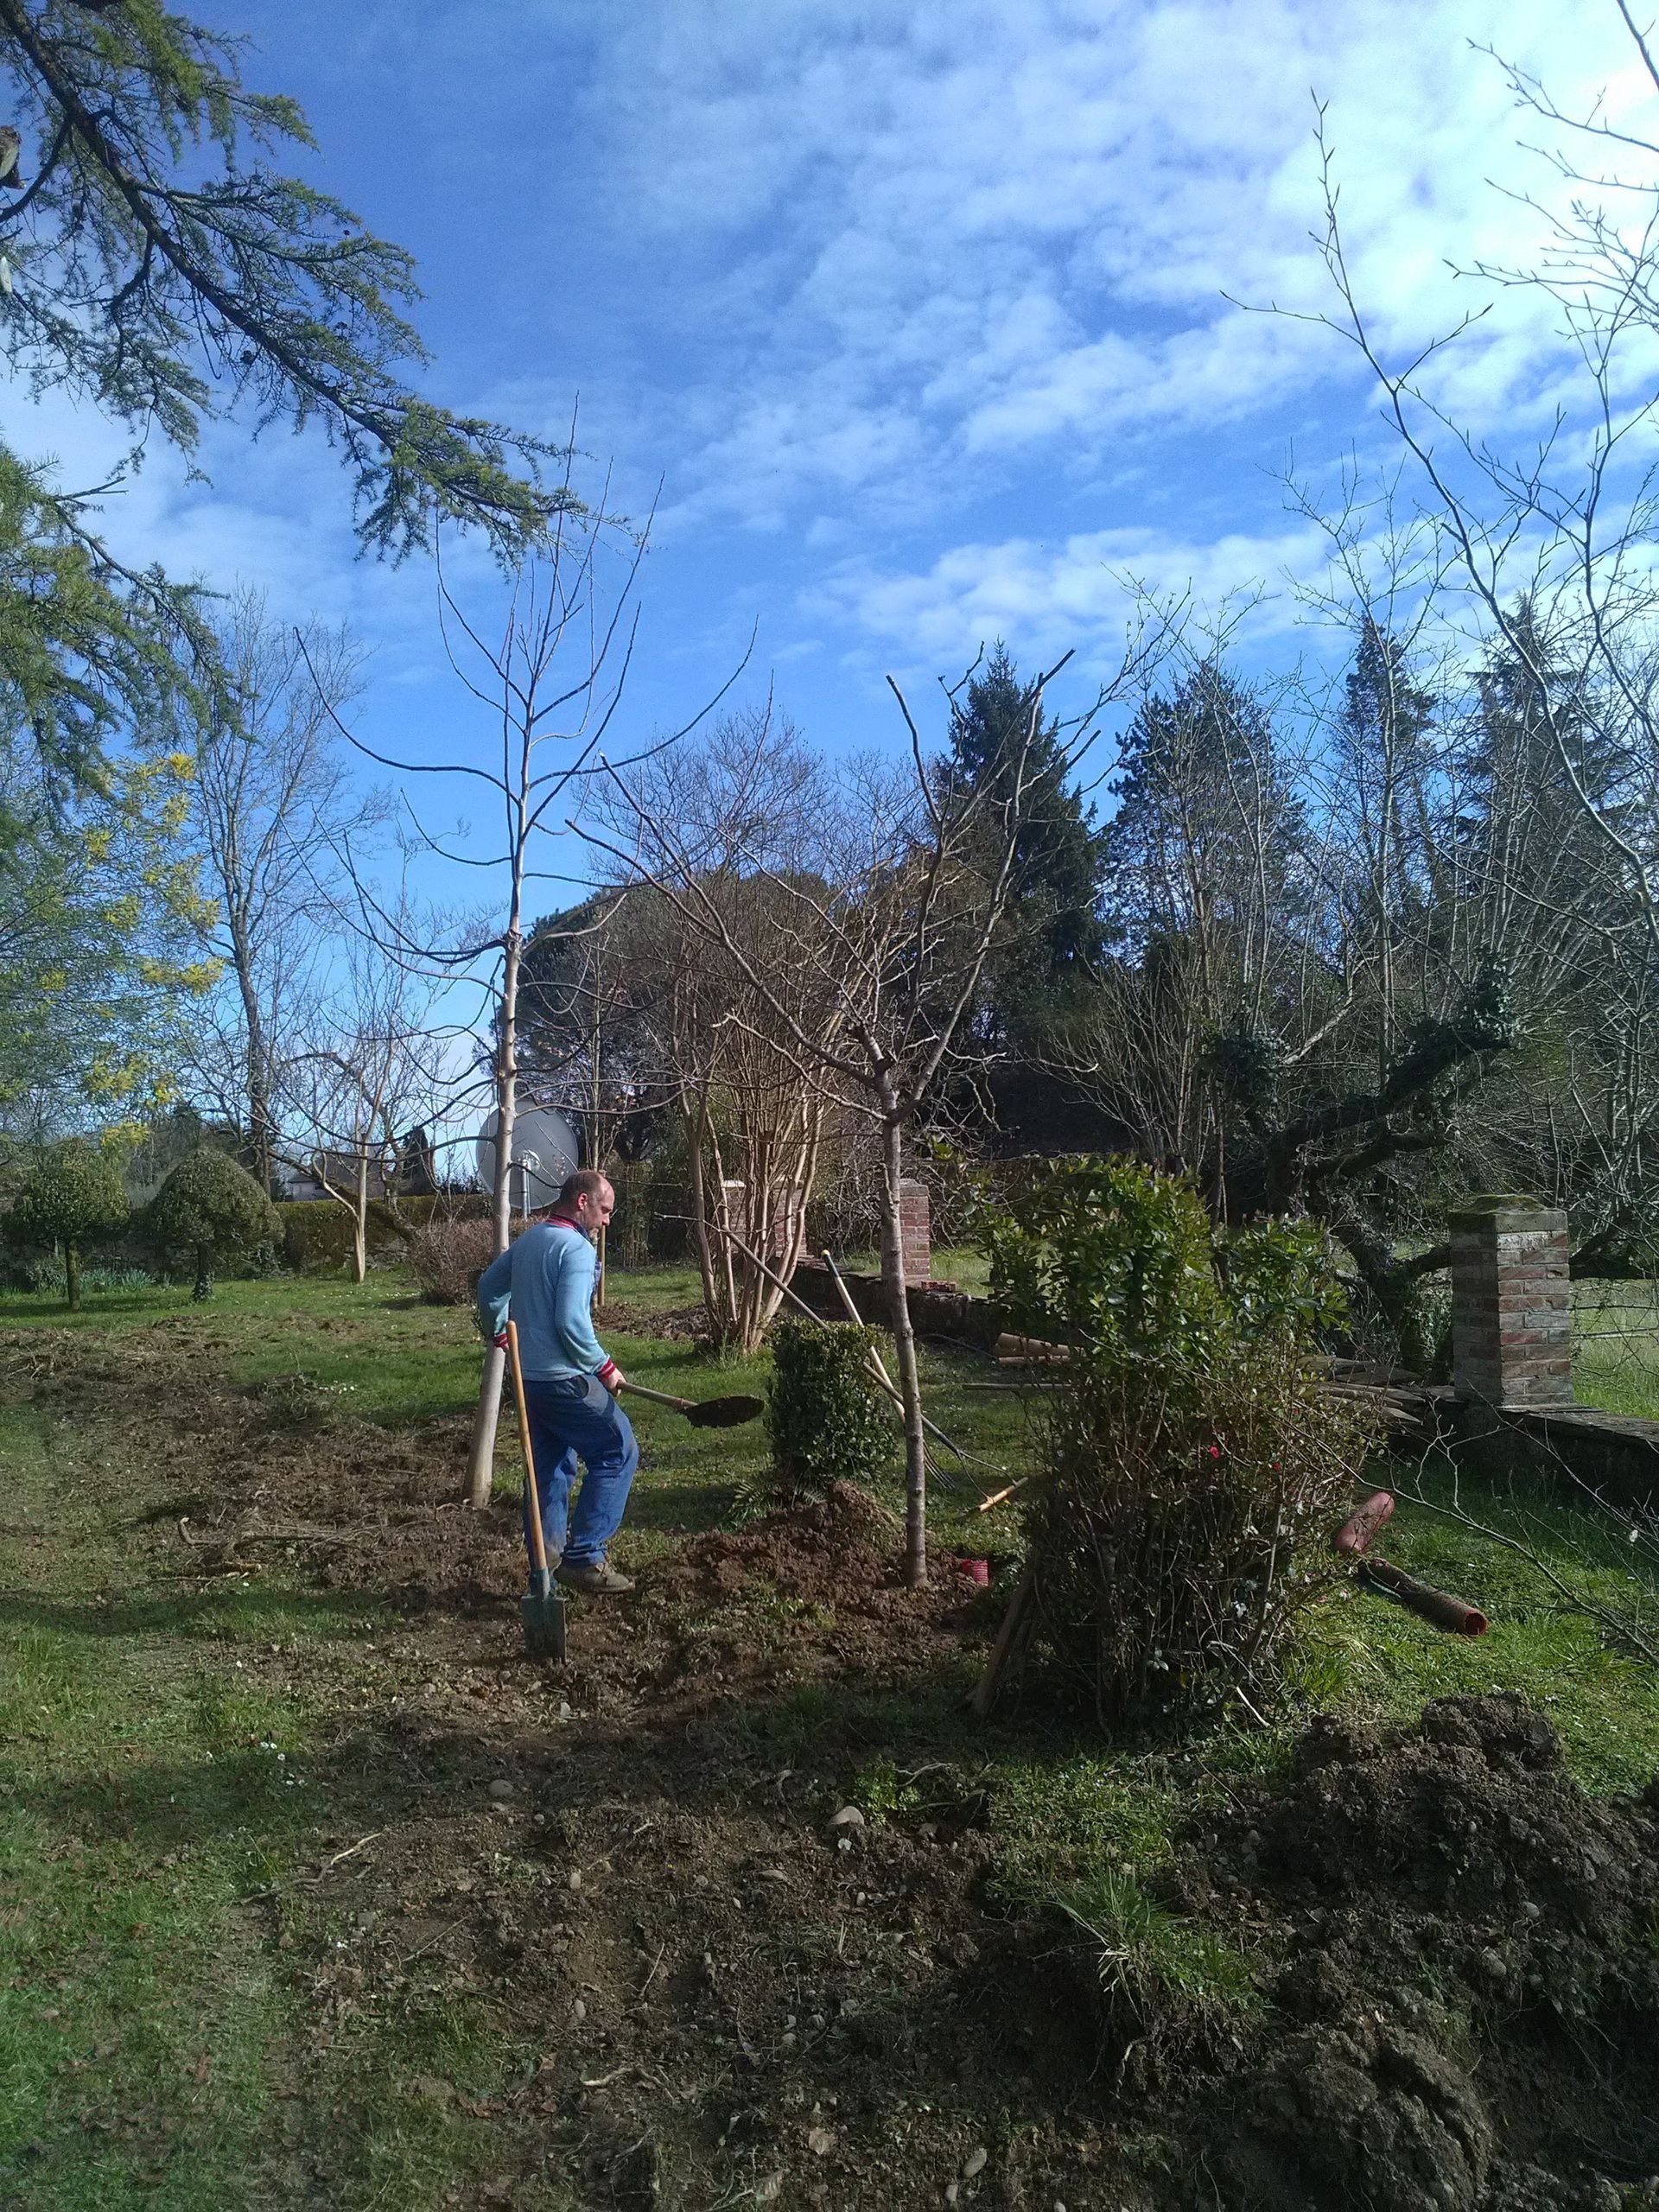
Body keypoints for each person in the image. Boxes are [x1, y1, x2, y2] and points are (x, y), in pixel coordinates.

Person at [475, 1167, 639, 1595]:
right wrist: (604, 1367)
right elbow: (572, 1323)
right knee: (617, 1449)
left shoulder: (531, 1239)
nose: (607, 1221)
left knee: (549, 1474)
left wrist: (496, 1330)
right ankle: (584, 1558)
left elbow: (489, 1284)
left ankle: (543, 1570)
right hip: (565, 1381)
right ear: (582, 1201)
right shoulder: (576, 1249)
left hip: (528, 1383)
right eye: (605, 1210)